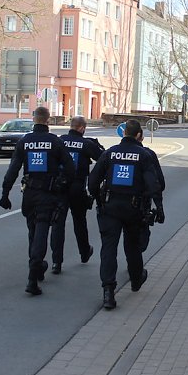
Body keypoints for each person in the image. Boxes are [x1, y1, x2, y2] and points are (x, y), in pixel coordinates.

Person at [0, 107, 76, 296]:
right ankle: (33, 275)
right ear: (48, 120)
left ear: (34, 119)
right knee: (42, 230)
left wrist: (5, 193)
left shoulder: (25, 141)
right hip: (48, 193)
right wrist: (62, 185)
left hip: (29, 193)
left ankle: (37, 266)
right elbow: (70, 168)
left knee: (33, 231)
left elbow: (13, 169)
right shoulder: (55, 142)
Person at [88, 120, 161, 310]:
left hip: (110, 208)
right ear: (139, 135)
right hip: (134, 209)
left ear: (124, 133)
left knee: (108, 249)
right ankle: (136, 280)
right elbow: (155, 185)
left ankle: (108, 292)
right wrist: (157, 206)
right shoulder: (144, 155)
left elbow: (93, 181)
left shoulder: (110, 153)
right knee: (132, 247)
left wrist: (99, 200)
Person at [50, 116, 105, 274]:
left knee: (58, 224)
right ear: (81, 128)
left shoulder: (59, 141)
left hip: (60, 187)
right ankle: (84, 252)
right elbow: (103, 158)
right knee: (79, 222)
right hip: (77, 187)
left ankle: (56, 262)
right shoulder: (85, 143)